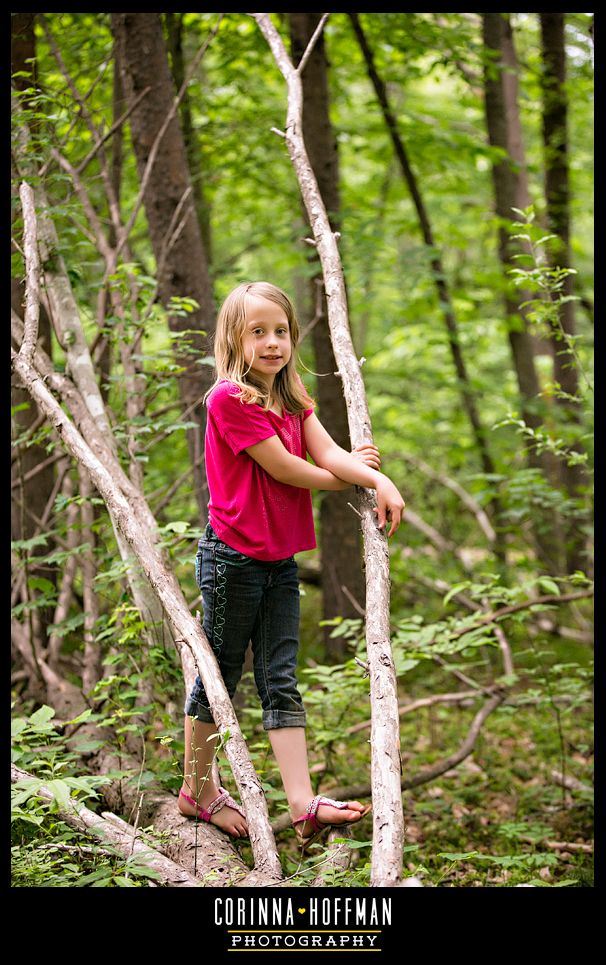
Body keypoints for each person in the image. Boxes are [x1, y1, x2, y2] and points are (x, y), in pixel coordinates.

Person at [178, 281, 405, 849]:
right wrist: (350, 474)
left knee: (280, 677)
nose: (273, 342)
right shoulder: (228, 399)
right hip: (232, 559)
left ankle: (303, 804)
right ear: (235, 339)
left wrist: (376, 478)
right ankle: (197, 791)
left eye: (281, 331)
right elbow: (287, 469)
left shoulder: (292, 398)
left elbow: (325, 452)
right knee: (220, 675)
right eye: (258, 332)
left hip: (279, 562)